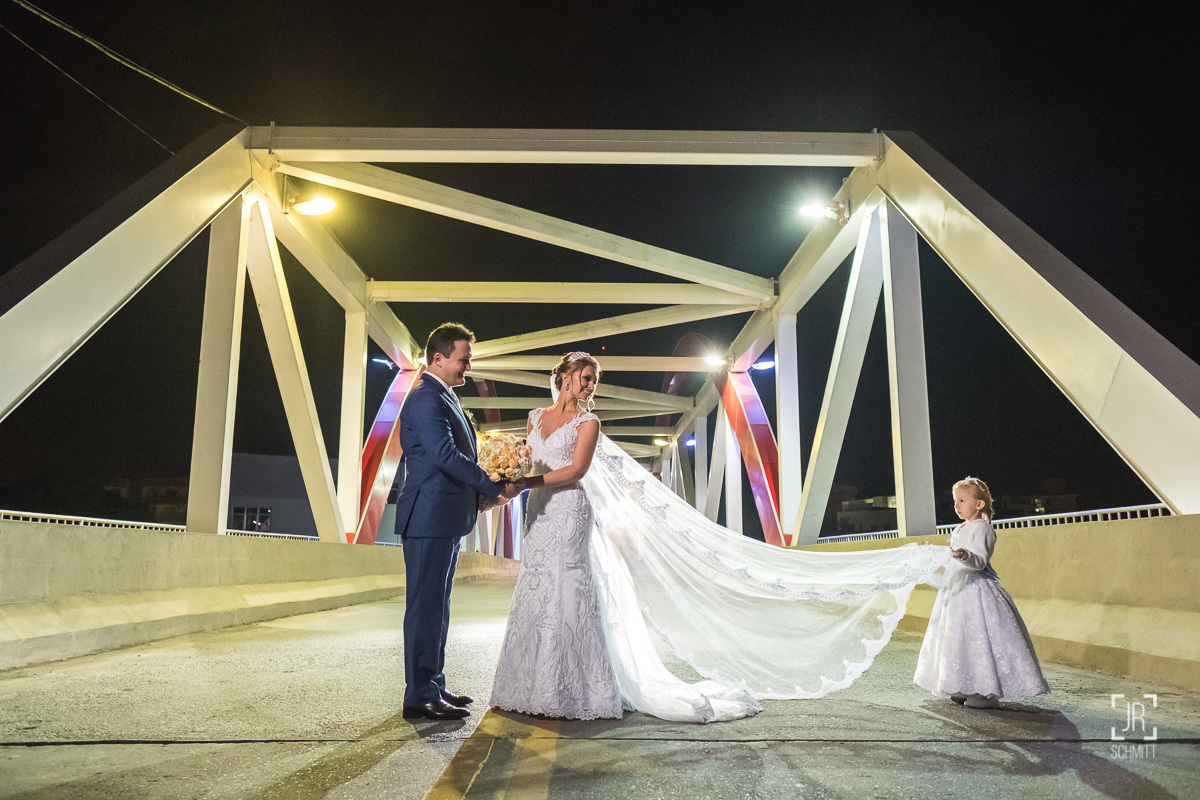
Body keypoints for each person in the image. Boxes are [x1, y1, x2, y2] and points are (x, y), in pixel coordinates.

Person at [490, 352, 950, 723]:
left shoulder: (589, 424)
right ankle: (531, 685)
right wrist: (507, 474)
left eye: (594, 380)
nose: (590, 385)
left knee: (569, 592)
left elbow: (576, 471)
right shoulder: (534, 418)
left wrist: (523, 483)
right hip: (540, 514)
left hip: (570, 512)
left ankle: (574, 691)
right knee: (538, 590)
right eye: (585, 377)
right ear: (563, 376)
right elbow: (531, 460)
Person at [395, 323, 521, 721]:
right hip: (428, 517)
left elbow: (459, 457)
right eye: (463, 360)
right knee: (425, 609)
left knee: (438, 607)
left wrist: (480, 492)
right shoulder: (425, 398)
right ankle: (419, 696)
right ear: (438, 358)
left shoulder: (445, 397)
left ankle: (433, 685)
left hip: (444, 517)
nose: (468, 366)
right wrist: (491, 486)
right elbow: (445, 456)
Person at [913, 477, 1049, 708]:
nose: (956, 505)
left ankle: (987, 693)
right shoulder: (960, 528)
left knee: (981, 639)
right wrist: (934, 553)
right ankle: (964, 685)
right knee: (959, 639)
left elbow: (979, 561)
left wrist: (965, 555)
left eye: (962, 500)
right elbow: (953, 559)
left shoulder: (983, 528)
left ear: (979, 504)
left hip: (975, 590)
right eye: (955, 501)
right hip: (956, 591)